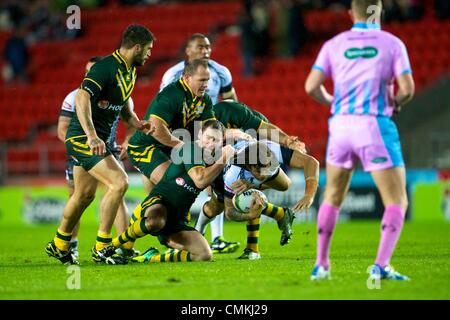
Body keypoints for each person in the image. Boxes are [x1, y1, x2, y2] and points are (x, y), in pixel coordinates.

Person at [305, 0, 415, 281]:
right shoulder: (392, 44)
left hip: (340, 127)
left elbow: (311, 86)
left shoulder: (334, 44)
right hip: (373, 125)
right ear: (379, 12)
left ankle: (321, 264)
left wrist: (332, 102)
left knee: (332, 196)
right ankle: (380, 266)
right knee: (396, 200)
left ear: (350, 13)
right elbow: (407, 89)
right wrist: (395, 103)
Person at [45, 24, 155, 265]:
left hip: (100, 140)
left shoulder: (130, 71)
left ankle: (60, 242)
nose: (149, 54)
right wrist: (92, 135)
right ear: (136, 47)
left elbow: (123, 103)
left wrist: (136, 122)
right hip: (84, 139)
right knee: (119, 182)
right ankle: (102, 246)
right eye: (147, 50)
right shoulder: (106, 67)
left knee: (84, 195)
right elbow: (82, 96)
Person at [113, 120, 236, 263]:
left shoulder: (214, 162)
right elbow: (200, 180)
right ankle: (111, 246)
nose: (210, 143)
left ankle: (149, 258)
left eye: (216, 140)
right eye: (208, 137)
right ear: (200, 135)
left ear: (222, 142)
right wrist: (224, 158)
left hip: (177, 218)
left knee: (204, 255)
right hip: (160, 203)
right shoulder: (191, 149)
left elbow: (221, 199)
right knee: (155, 222)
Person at [194, 99, 307, 254]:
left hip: (244, 159)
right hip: (224, 162)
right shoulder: (198, 128)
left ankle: (252, 249)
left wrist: (287, 141)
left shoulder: (234, 113)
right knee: (215, 205)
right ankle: (280, 215)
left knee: (254, 195)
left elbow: (264, 129)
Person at [160, 34, 239, 253]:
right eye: (200, 47)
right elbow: (164, 106)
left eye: (208, 46)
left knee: (215, 181)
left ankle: (217, 238)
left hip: (210, 135)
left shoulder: (221, 72)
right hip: (182, 136)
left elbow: (231, 102)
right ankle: (178, 234)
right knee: (182, 184)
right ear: (188, 50)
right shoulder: (173, 74)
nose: (206, 50)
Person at [56, 56, 138, 259]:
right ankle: (73, 243)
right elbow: (62, 130)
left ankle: (123, 246)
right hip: (84, 149)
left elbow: (130, 122)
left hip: (108, 150)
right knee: (82, 195)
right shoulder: (75, 96)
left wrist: (127, 142)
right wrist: (84, 145)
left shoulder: (119, 93)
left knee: (116, 193)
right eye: (88, 72)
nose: (91, 76)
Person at [197, 139, 319, 260]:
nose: (264, 174)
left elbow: (311, 162)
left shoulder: (273, 151)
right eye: (259, 171)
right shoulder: (234, 174)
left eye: (267, 167)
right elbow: (230, 212)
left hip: (248, 155)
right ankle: (199, 231)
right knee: (215, 208)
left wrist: (309, 195)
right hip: (221, 175)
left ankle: (254, 248)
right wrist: (249, 215)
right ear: (250, 167)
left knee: (283, 185)